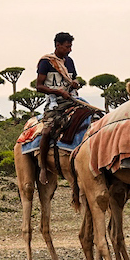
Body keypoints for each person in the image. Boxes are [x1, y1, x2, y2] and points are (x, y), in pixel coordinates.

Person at [35, 32, 82, 184]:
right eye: (67, 47)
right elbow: (39, 86)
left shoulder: (69, 61)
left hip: (71, 100)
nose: (70, 50)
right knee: (47, 130)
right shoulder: (46, 62)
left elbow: (73, 78)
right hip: (54, 103)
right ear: (58, 45)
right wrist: (57, 91)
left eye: (71, 46)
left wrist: (75, 83)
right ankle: (43, 166)